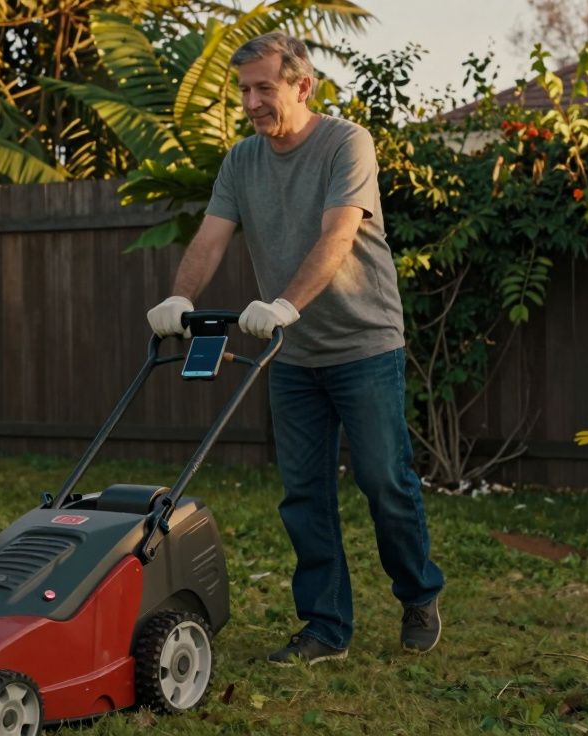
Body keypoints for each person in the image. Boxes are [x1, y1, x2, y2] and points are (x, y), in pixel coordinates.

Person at [146, 32, 445, 664]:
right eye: (245, 90)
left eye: (264, 88)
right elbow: (211, 237)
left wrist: (285, 303)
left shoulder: (346, 143)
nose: (252, 101)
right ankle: (325, 627)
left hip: (363, 343)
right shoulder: (242, 161)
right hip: (291, 356)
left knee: (383, 481)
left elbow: (339, 237)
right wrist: (179, 299)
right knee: (304, 493)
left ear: (301, 86)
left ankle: (419, 593)